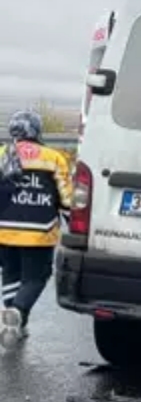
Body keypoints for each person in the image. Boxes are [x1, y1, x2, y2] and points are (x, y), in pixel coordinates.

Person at [0, 109, 71, 349]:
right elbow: (67, 198)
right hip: (39, 232)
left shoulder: (1, 154)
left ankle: (15, 324)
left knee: (10, 273)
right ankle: (18, 312)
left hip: (4, 230)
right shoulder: (53, 157)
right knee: (36, 276)